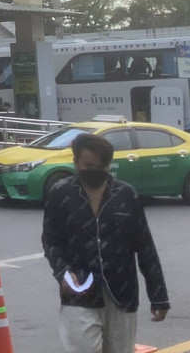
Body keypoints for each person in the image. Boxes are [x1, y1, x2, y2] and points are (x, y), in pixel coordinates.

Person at [42, 133, 169, 353]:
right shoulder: (61, 194)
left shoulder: (126, 195)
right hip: (79, 293)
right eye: (88, 165)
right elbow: (51, 240)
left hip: (123, 294)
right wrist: (63, 272)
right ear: (76, 163)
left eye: (101, 167)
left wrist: (159, 296)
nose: (94, 171)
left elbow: (145, 246)